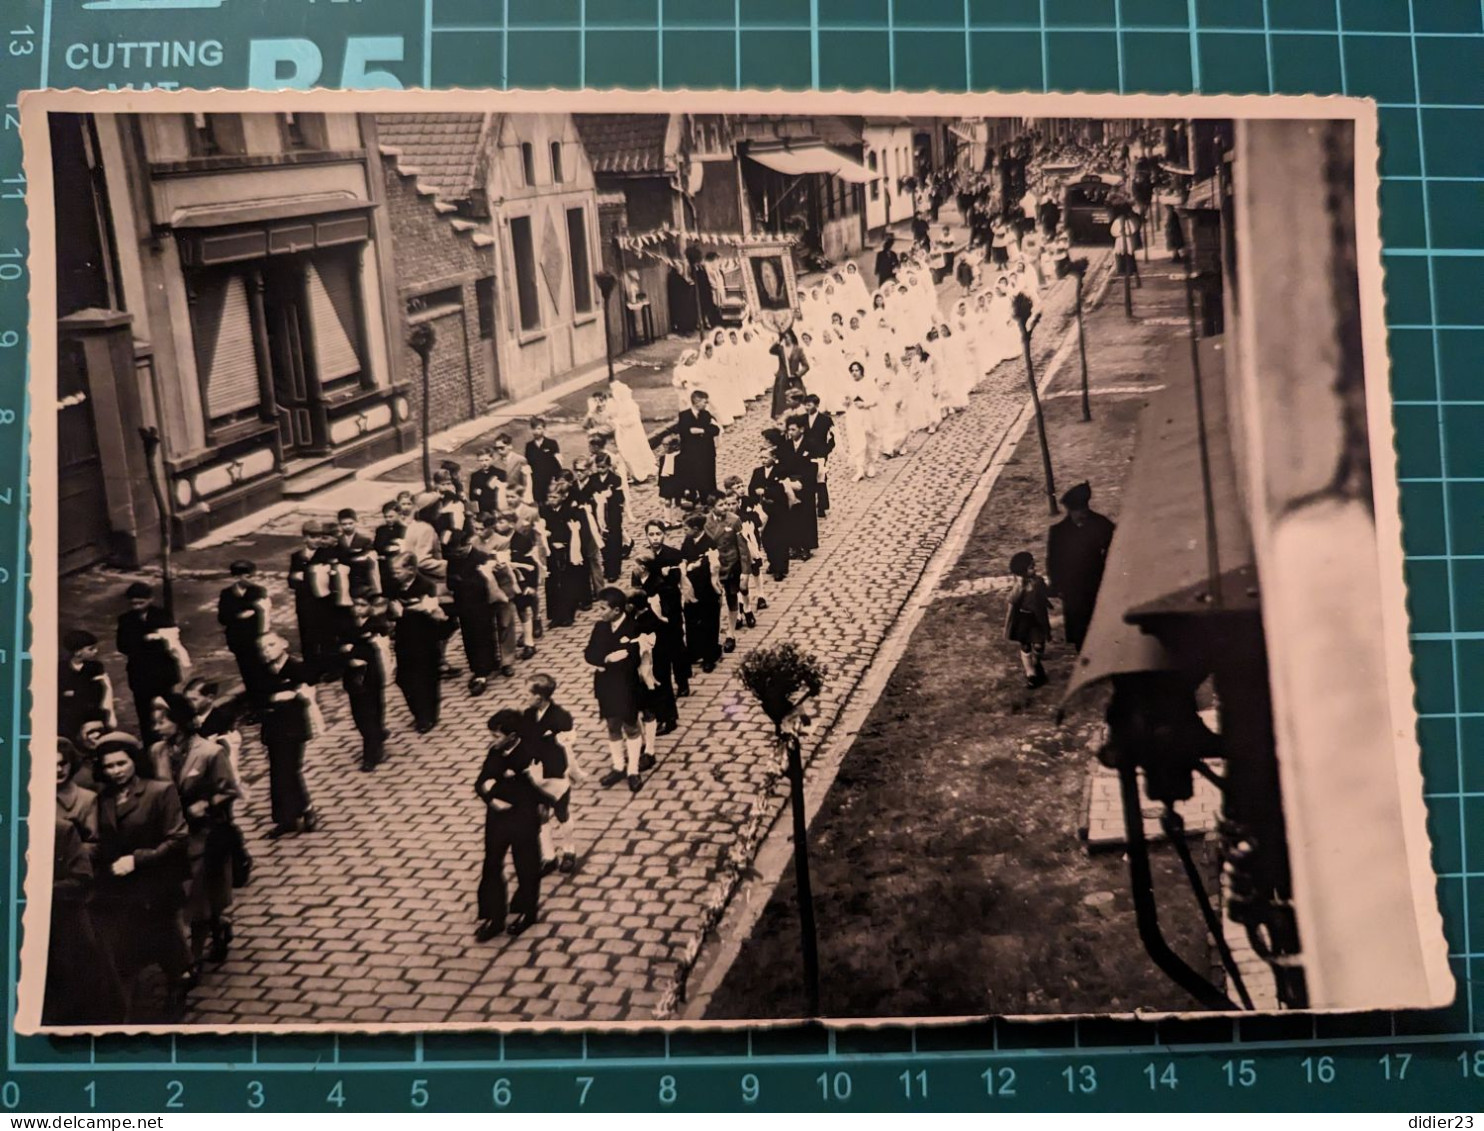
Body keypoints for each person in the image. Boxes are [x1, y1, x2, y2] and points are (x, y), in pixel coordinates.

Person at [91, 739, 192, 1018]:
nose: (116, 771)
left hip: (157, 880)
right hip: (121, 884)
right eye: (109, 766)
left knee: (167, 935)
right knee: (131, 936)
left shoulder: (159, 791)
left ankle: (179, 983)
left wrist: (138, 859)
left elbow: (178, 837)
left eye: (121, 763)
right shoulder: (103, 798)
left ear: (134, 761)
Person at [149, 693, 239, 972]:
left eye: (162, 722)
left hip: (204, 835)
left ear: (179, 722)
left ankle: (195, 954)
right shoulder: (156, 752)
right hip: (172, 834)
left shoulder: (210, 752)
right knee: (189, 894)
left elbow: (229, 791)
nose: (157, 728)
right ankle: (219, 925)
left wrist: (206, 803)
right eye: (156, 723)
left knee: (197, 895)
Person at [46, 739, 126, 1026]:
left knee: (91, 951)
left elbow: (95, 844)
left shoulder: (86, 798)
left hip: (84, 880)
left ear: (71, 765)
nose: (57, 771)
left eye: (62, 764)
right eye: (50, 765)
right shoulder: (37, 796)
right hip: (57, 878)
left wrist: (72, 845)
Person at [473, 709, 547, 941]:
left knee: (526, 865)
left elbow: (540, 787)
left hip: (524, 818)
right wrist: (492, 798)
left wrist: (503, 784)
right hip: (497, 818)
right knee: (492, 865)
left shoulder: (530, 753)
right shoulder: (495, 753)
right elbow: (481, 782)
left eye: (497, 735)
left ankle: (528, 911)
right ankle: (495, 917)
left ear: (512, 736)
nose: (493, 740)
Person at [255, 633, 321, 838]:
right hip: (273, 729)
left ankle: (306, 809)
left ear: (284, 644)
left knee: (290, 770)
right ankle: (287, 817)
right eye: (263, 648)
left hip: (293, 729)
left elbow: (307, 692)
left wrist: (290, 695)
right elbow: (258, 698)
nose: (267, 651)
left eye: (271, 645)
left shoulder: (295, 667)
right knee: (278, 772)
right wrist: (277, 697)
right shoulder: (263, 671)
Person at [586, 586, 649, 793]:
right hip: (605, 685)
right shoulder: (600, 628)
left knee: (630, 726)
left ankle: (633, 770)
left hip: (626, 686)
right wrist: (607, 658)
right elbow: (589, 654)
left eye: (603, 608)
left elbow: (634, 658)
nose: (600, 612)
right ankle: (618, 766)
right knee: (612, 724)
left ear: (617, 610)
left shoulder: (633, 628)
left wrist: (619, 657)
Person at [1045, 481, 1117, 651]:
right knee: (1080, 632)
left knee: (1102, 628)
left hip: (1098, 585)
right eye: (1077, 511)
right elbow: (1053, 561)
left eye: (1083, 510)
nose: (1081, 514)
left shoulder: (1102, 525)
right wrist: (1056, 585)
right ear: (1070, 510)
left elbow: (1115, 553)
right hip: (1073, 590)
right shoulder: (1059, 532)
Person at [115, 582, 184, 748]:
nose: (137, 607)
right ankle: (151, 747)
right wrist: (147, 639)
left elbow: (170, 642)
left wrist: (147, 641)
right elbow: (123, 646)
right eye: (134, 603)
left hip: (163, 673)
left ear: (150, 599)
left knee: (169, 709)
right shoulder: (125, 620)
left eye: (141, 602)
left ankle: (175, 742)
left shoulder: (162, 615)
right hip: (140, 674)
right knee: (145, 714)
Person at [523, 674, 580, 874]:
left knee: (562, 812)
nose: (526, 697)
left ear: (540, 697)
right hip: (536, 772)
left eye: (529, 693)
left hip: (556, 773)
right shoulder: (529, 715)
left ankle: (569, 850)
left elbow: (568, 744)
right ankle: (548, 856)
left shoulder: (560, 716)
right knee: (541, 813)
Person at [387, 551, 445, 733]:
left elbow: (430, 611)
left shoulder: (425, 586)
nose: (394, 575)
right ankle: (419, 713)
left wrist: (404, 611)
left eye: (397, 571)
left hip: (425, 640)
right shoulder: (395, 586)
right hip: (404, 640)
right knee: (403, 679)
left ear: (411, 570)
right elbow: (391, 610)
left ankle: (427, 716)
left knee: (427, 678)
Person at [339, 589, 393, 772]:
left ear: (370, 607)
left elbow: (376, 643)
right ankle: (376, 736)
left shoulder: (375, 624)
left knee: (372, 711)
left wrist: (351, 648)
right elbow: (337, 647)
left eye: (362, 605)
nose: (357, 609)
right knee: (360, 716)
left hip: (371, 675)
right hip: (353, 677)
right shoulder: (345, 623)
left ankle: (371, 754)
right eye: (355, 604)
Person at [287, 520, 339, 682]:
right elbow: (292, 581)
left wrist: (306, 578)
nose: (316, 540)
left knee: (327, 636)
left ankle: (331, 669)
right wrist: (304, 578)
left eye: (319, 536)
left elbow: (332, 579)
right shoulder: (297, 557)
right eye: (313, 537)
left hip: (324, 604)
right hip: (305, 604)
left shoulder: (327, 555)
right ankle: (312, 671)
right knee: (308, 638)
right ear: (305, 538)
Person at [216, 560, 270, 705]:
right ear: (237, 577)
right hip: (238, 640)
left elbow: (263, 614)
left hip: (256, 638)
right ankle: (254, 703)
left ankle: (264, 703)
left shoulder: (258, 591)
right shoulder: (227, 594)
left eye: (252, 576)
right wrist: (239, 615)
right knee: (246, 672)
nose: (251, 580)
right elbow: (222, 618)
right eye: (248, 577)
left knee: (260, 671)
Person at [679, 512, 723, 673]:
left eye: (686, 528)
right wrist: (686, 566)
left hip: (706, 591)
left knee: (709, 622)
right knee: (691, 620)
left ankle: (709, 656)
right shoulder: (688, 540)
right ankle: (694, 651)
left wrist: (694, 566)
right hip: (691, 588)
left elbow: (712, 567)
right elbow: (683, 556)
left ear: (696, 529)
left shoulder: (709, 543)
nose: (684, 531)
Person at [706, 494, 751, 655]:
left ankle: (730, 634)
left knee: (732, 599)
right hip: (715, 568)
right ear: (712, 507)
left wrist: (745, 573)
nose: (725, 507)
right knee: (714, 602)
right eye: (720, 505)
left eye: (725, 504)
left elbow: (743, 548)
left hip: (732, 566)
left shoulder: (734, 520)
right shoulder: (706, 523)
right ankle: (713, 636)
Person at [1005, 551, 1052, 689]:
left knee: (1039, 644)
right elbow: (1011, 601)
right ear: (1022, 571)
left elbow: (1045, 593)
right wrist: (1019, 587)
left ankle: (1036, 662)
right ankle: (1030, 673)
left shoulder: (1039, 581)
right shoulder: (1019, 587)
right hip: (1024, 619)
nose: (1035, 569)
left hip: (1037, 617)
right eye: (1031, 567)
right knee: (1025, 645)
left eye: (1034, 565)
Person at [59, 629, 114, 745]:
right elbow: (60, 695)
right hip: (69, 716)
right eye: (91, 649)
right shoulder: (62, 668)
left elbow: (96, 693)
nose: (96, 651)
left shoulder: (95, 667)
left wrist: (74, 693)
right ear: (78, 652)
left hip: (93, 713)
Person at [675, 389, 721, 502]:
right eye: (704, 402)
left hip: (707, 451)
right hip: (692, 453)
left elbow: (715, 429)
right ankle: (693, 496)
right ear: (696, 401)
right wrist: (693, 431)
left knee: (709, 474)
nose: (707, 404)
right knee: (694, 474)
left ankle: (710, 496)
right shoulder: (684, 415)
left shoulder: (706, 414)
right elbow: (684, 431)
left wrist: (701, 430)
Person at [800, 394, 836, 519]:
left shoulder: (825, 420)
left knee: (820, 478)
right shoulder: (802, 419)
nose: (806, 408)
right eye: (805, 405)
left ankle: (822, 506)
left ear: (816, 405)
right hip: (805, 454)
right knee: (807, 479)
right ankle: (808, 505)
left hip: (820, 454)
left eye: (809, 405)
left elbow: (832, 439)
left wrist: (825, 451)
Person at [524, 417, 563, 504]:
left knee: (551, 502)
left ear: (544, 429)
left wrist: (557, 480)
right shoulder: (529, 446)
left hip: (550, 480)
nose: (536, 431)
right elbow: (528, 464)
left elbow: (558, 463)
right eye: (533, 429)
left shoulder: (551, 443)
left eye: (539, 428)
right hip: (536, 481)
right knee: (538, 503)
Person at [372, 499, 407, 594]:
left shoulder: (404, 529)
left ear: (399, 515)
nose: (388, 519)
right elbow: (377, 546)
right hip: (385, 562)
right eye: (386, 517)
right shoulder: (381, 530)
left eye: (391, 516)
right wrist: (389, 548)